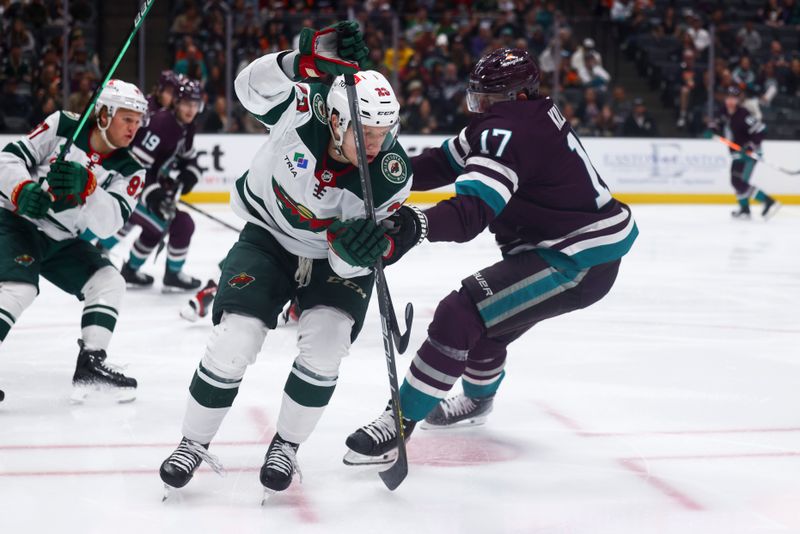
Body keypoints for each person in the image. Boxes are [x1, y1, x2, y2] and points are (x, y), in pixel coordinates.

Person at [342, 47, 639, 465]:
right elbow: (442, 162)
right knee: (486, 325)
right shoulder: (524, 117)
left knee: (460, 313)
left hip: (573, 258)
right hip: (578, 249)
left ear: (517, 96)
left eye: (487, 99)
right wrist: (377, 173)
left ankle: (399, 421)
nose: (478, 107)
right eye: (477, 97)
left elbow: (470, 216)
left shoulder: (507, 133)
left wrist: (413, 226)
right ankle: (478, 402)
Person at [158, 21, 412, 495]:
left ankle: (287, 446)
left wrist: (357, 252)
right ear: (336, 119)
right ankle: (193, 442)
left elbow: (355, 259)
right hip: (269, 236)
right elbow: (246, 90)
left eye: (382, 133)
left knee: (327, 344)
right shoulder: (302, 108)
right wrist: (297, 63)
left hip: (328, 256)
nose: (375, 145)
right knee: (235, 339)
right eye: (364, 133)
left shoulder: (391, 175)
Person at [0, 79, 146, 403]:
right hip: (15, 222)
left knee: (109, 281)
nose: (133, 128)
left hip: (62, 239)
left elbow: (110, 225)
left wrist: (90, 189)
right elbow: (7, 159)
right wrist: (21, 189)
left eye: (137, 121)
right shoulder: (64, 124)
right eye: (127, 118)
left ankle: (91, 367)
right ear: (104, 114)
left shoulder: (131, 170)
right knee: (19, 287)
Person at [94, 77, 205, 291]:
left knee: (166, 224)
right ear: (176, 103)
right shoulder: (162, 124)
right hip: (126, 187)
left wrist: (189, 173)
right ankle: (162, 272)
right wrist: (155, 194)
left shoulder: (186, 126)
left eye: (195, 104)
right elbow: (136, 167)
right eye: (186, 103)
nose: (191, 109)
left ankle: (127, 266)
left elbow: (187, 158)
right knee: (171, 223)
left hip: (142, 188)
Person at [711, 86, 780, 220]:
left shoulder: (744, 115)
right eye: (728, 98)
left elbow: (760, 131)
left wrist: (750, 145)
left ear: (738, 100)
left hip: (749, 154)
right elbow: (717, 122)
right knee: (735, 181)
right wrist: (712, 128)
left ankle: (768, 201)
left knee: (739, 181)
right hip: (737, 153)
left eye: (733, 99)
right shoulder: (724, 111)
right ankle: (744, 209)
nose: (730, 101)